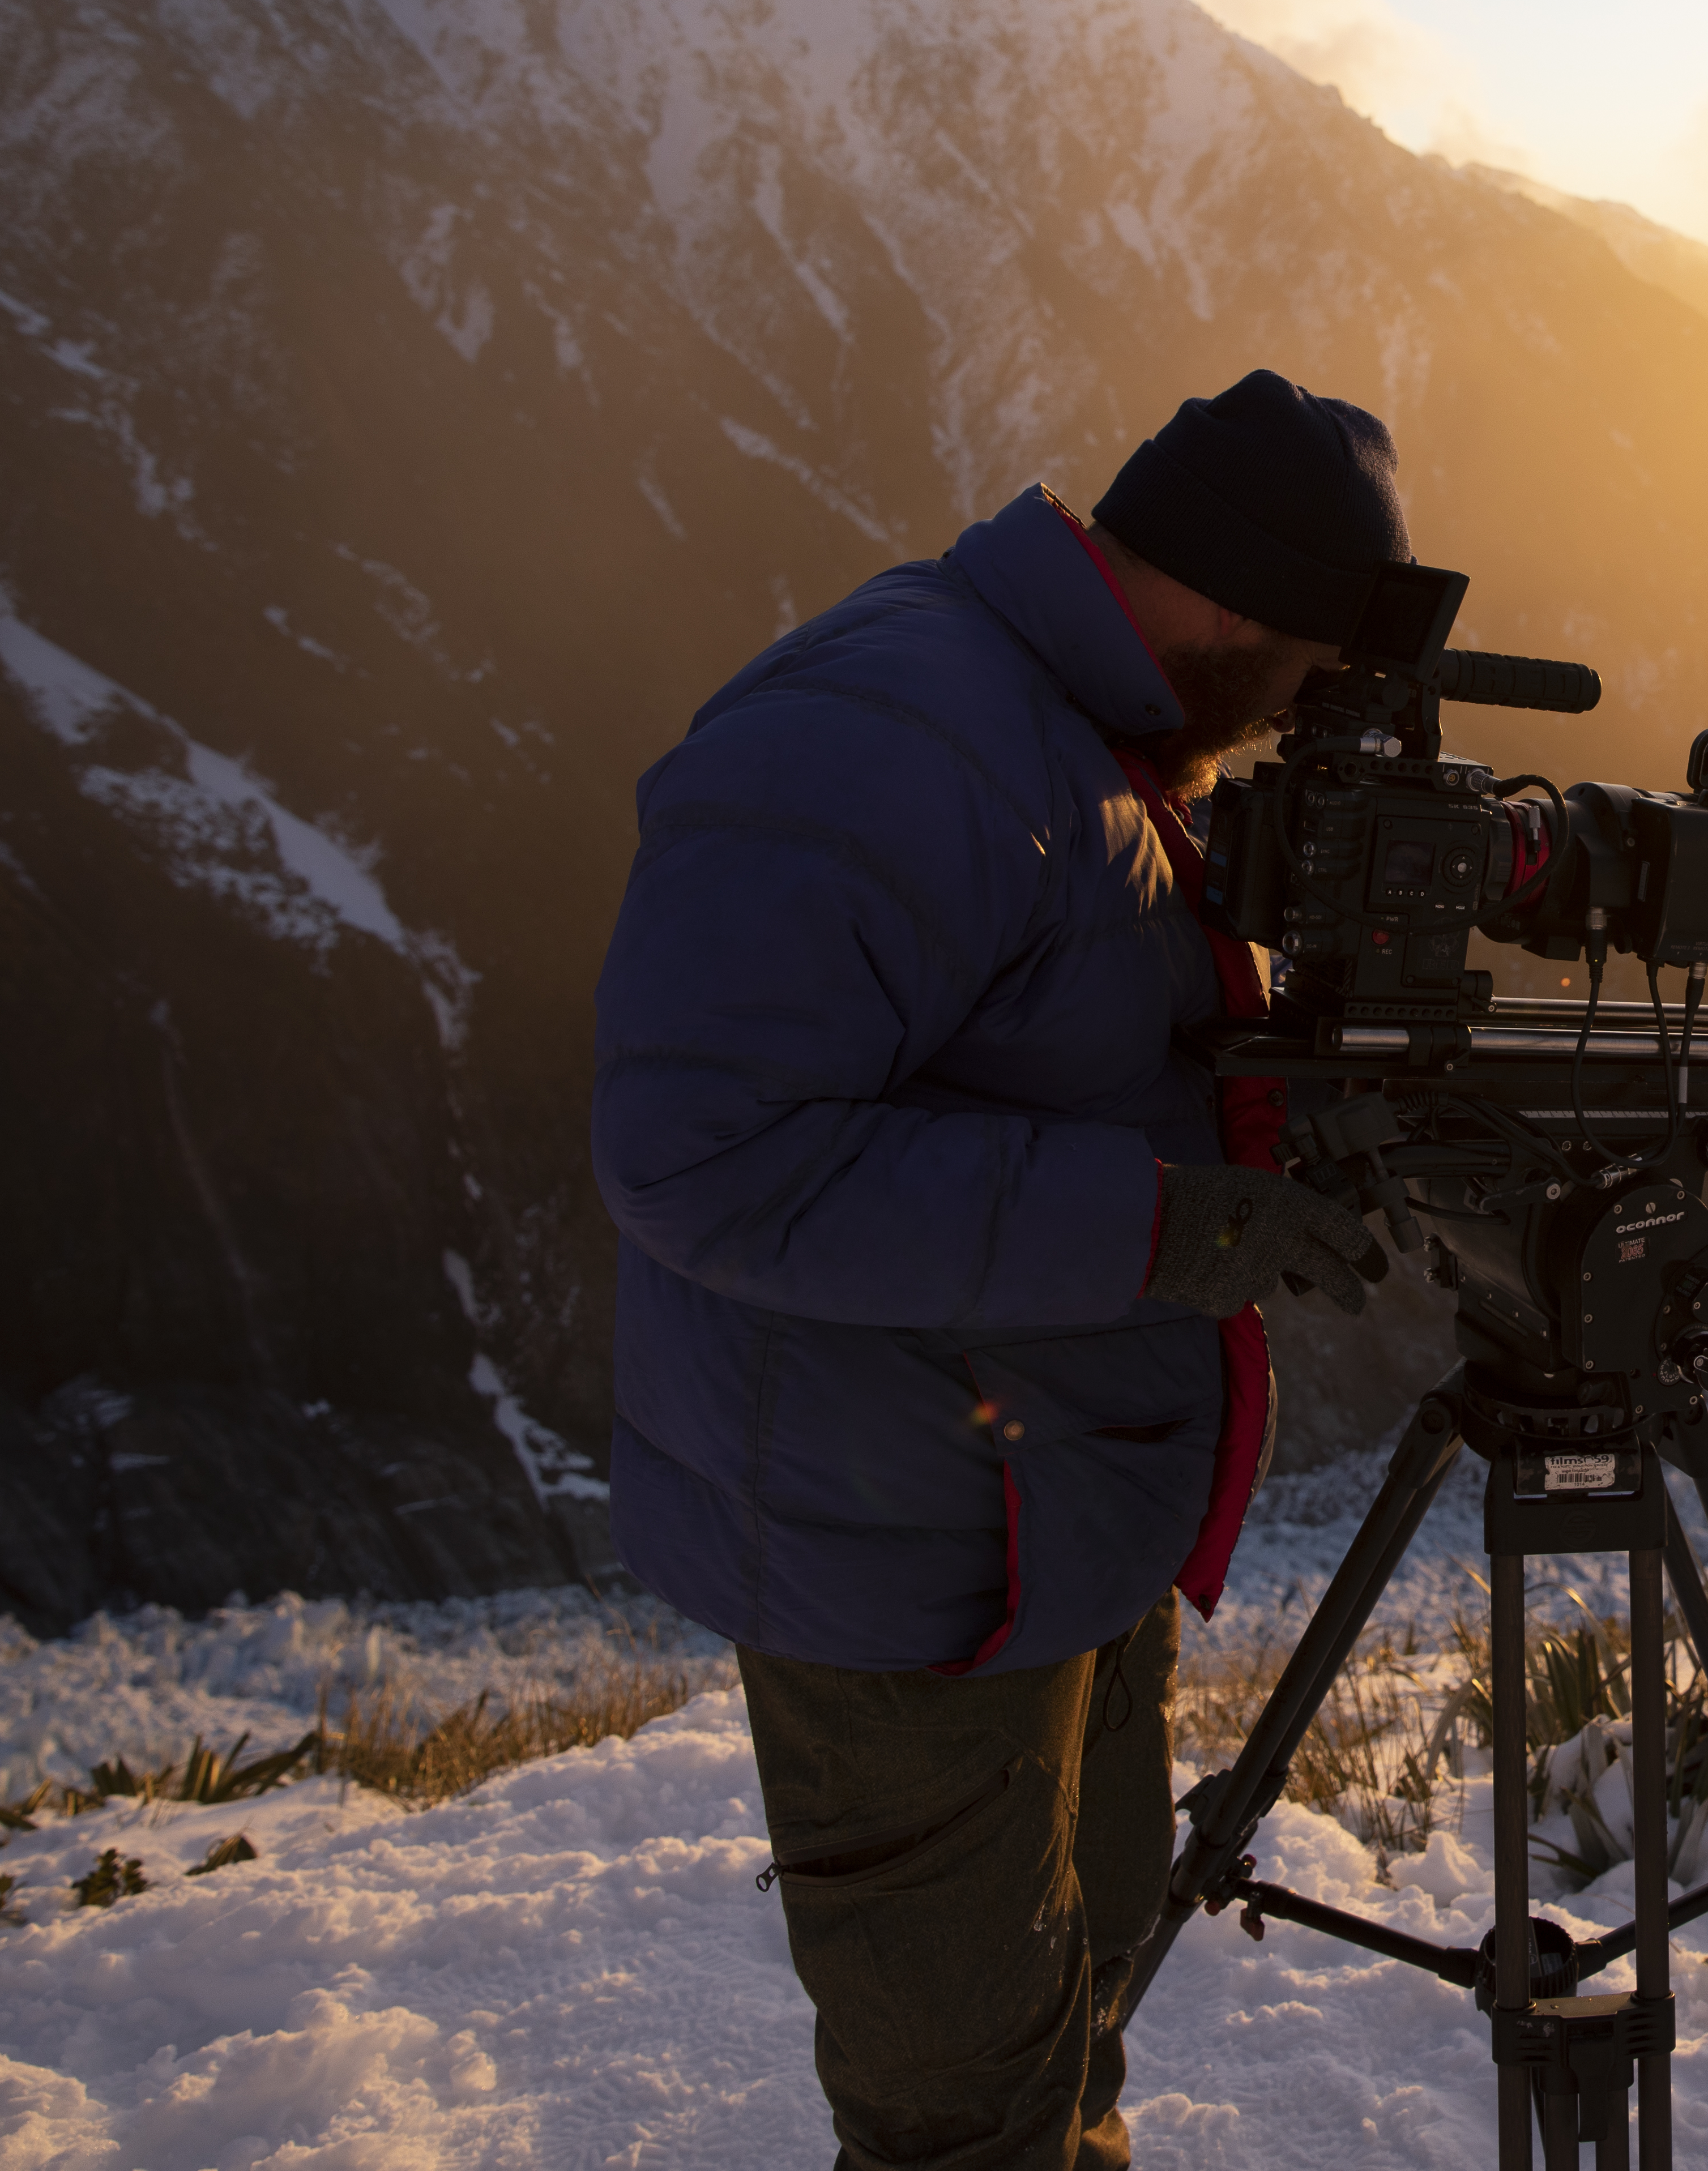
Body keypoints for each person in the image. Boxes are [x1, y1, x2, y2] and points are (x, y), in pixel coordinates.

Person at [590, 370, 1410, 2169]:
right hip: (895, 1563)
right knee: (963, 2111)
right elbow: (700, 1154)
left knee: (1066, 2015)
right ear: (1233, 609)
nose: (1306, 724)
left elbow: (1062, 1047)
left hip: (1049, 1511)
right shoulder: (889, 737)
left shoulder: (1075, 733)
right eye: (1309, 675)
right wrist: (1166, 1227)